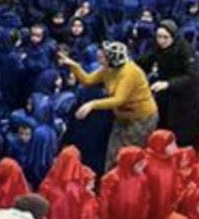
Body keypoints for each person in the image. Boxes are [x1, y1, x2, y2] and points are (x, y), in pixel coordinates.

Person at [61, 41, 158, 170]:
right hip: (121, 116)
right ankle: (111, 182)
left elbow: (119, 99)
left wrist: (92, 104)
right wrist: (74, 66)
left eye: (102, 57)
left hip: (140, 118)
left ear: (111, 59)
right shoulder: (107, 69)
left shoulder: (129, 72)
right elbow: (88, 80)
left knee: (130, 154)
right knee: (113, 153)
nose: (98, 59)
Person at [140, 20, 199, 149]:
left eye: (165, 37)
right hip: (166, 99)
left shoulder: (186, 51)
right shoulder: (157, 49)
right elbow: (144, 62)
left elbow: (192, 77)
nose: (161, 41)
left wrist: (168, 84)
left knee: (184, 137)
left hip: (186, 101)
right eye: (159, 37)